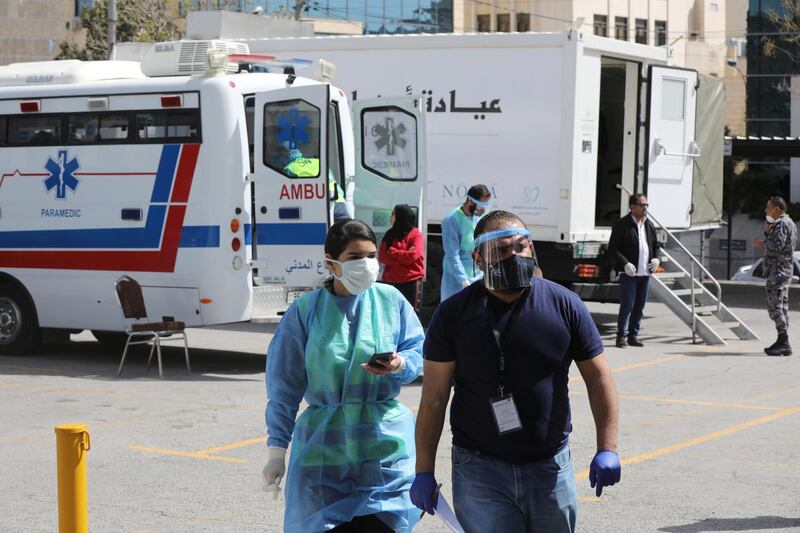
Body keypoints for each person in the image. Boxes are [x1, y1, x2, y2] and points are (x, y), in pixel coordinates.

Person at [410, 210, 621, 533]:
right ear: (478, 259)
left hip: (549, 466)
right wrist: (423, 469)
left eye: (520, 247)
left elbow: (598, 377)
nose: (513, 256)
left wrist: (607, 447)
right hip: (479, 469)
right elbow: (435, 398)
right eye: (501, 250)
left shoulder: (564, 305)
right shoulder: (452, 314)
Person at [263, 219, 424, 532]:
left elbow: (418, 355)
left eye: (371, 256)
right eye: (355, 258)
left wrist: (399, 365)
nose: (366, 265)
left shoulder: (390, 301)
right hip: (323, 457)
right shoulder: (306, 311)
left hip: (383, 452)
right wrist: (276, 451)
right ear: (330, 263)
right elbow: (284, 385)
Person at [607, 193, 663, 348]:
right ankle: (621, 336)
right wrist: (624, 264)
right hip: (629, 273)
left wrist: (657, 259)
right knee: (627, 305)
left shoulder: (648, 224)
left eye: (646, 205)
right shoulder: (622, 224)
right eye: (641, 205)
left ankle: (633, 335)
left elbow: (656, 246)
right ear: (632, 207)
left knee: (640, 306)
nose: (645, 208)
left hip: (644, 273)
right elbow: (613, 248)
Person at [440, 184, 492, 301]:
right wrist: (463, 280)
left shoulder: (477, 218)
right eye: (481, 205)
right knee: (454, 312)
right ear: (470, 201)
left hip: (477, 275)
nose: (483, 209)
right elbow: (452, 254)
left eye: (486, 205)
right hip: (456, 279)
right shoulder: (452, 220)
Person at [762, 196, 797, 356]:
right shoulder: (790, 223)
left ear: (776, 209)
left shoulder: (781, 224)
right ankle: (782, 340)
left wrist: (767, 234)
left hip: (778, 270)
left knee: (775, 307)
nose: (766, 211)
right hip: (784, 269)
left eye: (768, 208)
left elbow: (776, 247)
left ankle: (783, 342)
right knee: (782, 306)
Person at [379, 204, 425, 308]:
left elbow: (413, 256)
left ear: (401, 216)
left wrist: (393, 252)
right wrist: (404, 259)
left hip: (410, 283)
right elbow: (382, 257)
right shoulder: (389, 234)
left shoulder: (416, 235)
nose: (391, 217)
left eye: (393, 214)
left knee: (410, 316)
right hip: (390, 282)